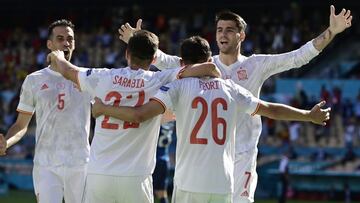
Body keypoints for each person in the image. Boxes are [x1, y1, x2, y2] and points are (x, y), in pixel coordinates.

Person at [118, 5, 351, 202]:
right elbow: (166, 60)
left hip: (242, 155)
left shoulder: (256, 64)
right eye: (220, 29)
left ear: (241, 36)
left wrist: (331, 31)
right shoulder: (204, 65)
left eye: (230, 30)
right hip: (208, 156)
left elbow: (298, 56)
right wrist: (137, 42)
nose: (223, 34)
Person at [91, 36, 330, 203]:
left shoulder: (177, 87)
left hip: (188, 180)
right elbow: (271, 109)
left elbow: (141, 114)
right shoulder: (231, 89)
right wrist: (307, 115)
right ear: (210, 60)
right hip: (222, 181)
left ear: (182, 64)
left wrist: (104, 108)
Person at [47, 30, 220, 203]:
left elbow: (69, 71)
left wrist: (58, 57)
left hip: (99, 174)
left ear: (127, 53)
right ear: (153, 59)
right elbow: (208, 68)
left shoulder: (104, 77)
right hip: (136, 176)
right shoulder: (159, 78)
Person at [0, 19, 91, 203]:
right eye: (60, 38)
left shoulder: (88, 77)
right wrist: (6, 143)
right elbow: (21, 125)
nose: (66, 43)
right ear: (50, 44)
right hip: (46, 165)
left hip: (81, 164)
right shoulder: (34, 80)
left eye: (70, 39)